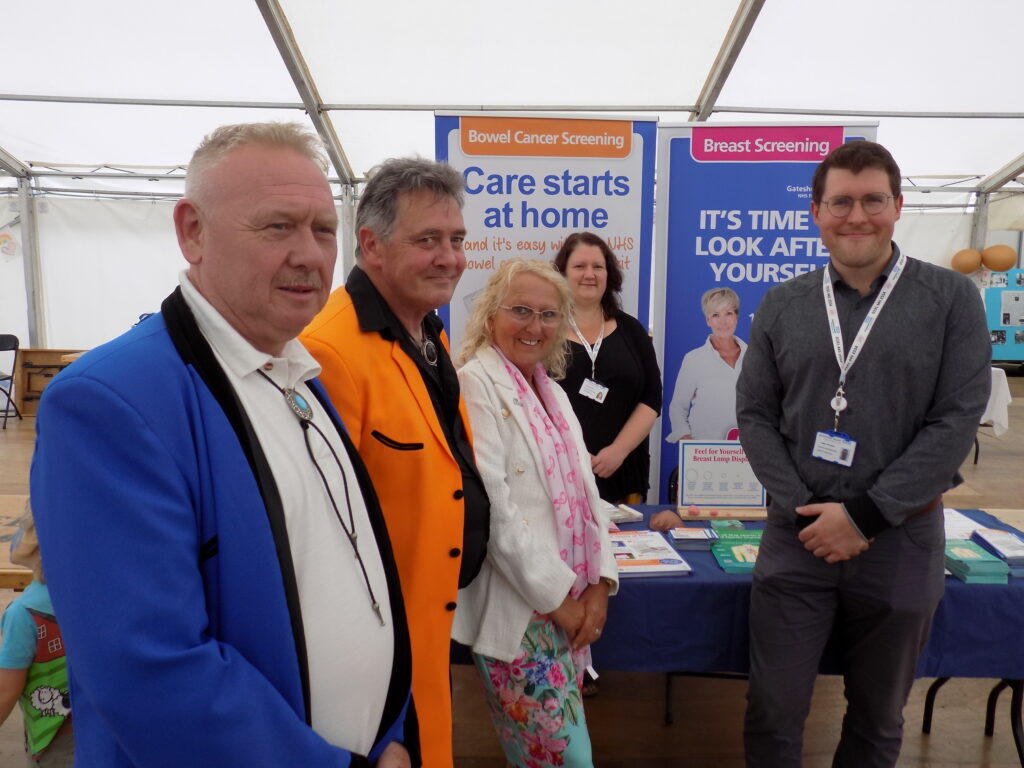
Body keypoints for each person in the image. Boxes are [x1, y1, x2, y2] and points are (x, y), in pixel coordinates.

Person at [30, 123, 415, 767]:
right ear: (191, 232)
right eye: (277, 227)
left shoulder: (298, 375)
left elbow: (357, 577)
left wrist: (392, 733)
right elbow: (151, 672)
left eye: (323, 229)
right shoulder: (108, 401)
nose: (311, 254)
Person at [736, 140, 991, 768]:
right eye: (841, 202)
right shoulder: (782, 303)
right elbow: (755, 416)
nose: (857, 216)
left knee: (878, 721)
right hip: (797, 543)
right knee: (772, 712)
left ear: (898, 205)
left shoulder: (953, 300)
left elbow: (956, 421)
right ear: (817, 213)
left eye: (872, 200)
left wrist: (865, 517)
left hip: (902, 544)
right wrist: (807, 513)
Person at [301, 157, 489, 768]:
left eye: (457, 240)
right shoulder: (328, 351)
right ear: (372, 246)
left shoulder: (426, 332)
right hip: (376, 662)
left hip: (427, 634)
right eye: (427, 240)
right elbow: (321, 543)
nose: (450, 257)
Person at [453, 258, 618, 767]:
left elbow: (589, 495)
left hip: (567, 598)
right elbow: (496, 513)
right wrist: (559, 603)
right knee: (564, 759)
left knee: (546, 757)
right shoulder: (474, 382)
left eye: (549, 314)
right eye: (520, 310)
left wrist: (600, 584)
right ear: (489, 316)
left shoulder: (550, 391)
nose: (535, 326)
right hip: (523, 608)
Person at [552, 232, 662, 504]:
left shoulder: (632, 330)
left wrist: (617, 451)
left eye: (597, 267)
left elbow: (652, 397)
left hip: (623, 473)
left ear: (608, 274)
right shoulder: (544, 330)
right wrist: (574, 452)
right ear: (563, 274)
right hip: (559, 473)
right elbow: (531, 401)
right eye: (579, 267)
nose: (589, 274)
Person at [0, 510, 73, 766]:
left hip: (54, 740)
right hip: (97, 731)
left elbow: (6, 692)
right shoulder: (91, 598)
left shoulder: (23, 615)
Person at [666, 287, 746, 443]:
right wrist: (687, 441)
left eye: (729, 313)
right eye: (716, 315)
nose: (723, 322)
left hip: (746, 452)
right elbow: (678, 406)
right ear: (708, 320)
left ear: (737, 317)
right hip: (705, 452)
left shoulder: (754, 357)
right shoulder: (694, 359)